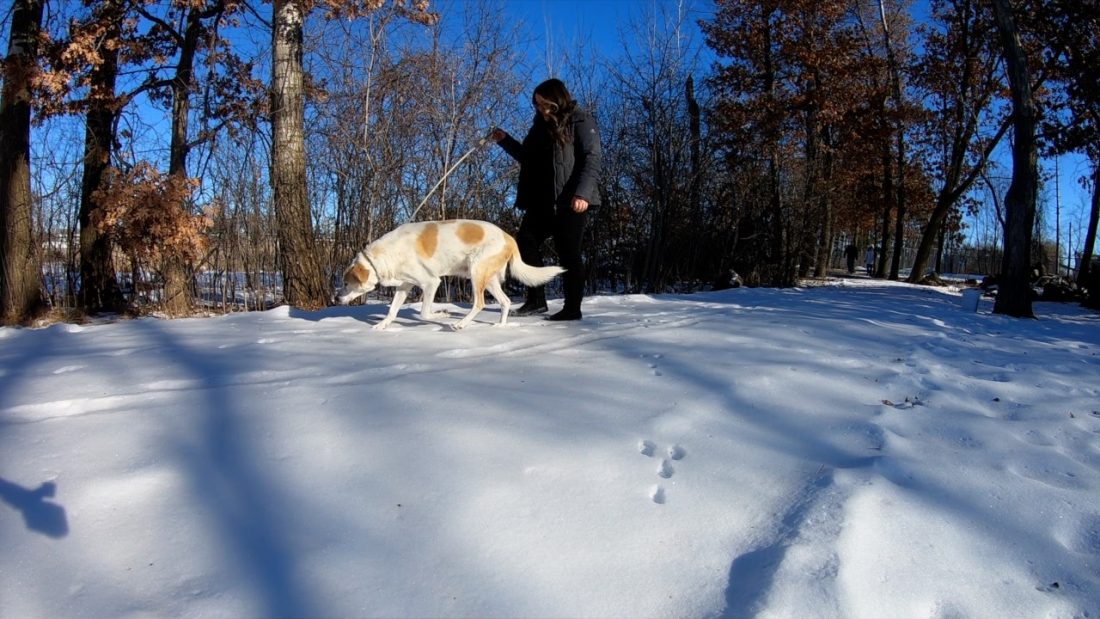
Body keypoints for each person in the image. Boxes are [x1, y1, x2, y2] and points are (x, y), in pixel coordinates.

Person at [490, 79, 602, 321]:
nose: (540, 108)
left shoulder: (581, 121)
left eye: (544, 103)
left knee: (568, 253)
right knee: (524, 243)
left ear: (557, 98)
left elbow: (592, 158)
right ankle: (536, 300)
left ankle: (572, 308)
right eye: (537, 104)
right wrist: (505, 140)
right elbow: (527, 158)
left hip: (570, 200)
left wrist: (582, 193)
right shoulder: (539, 127)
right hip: (541, 201)